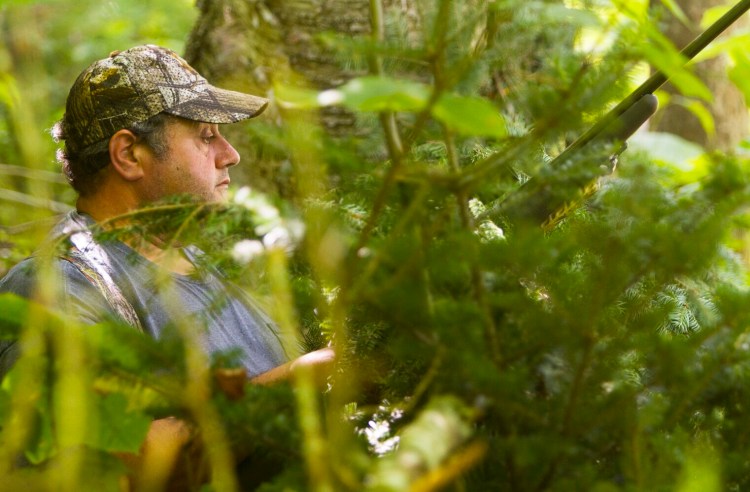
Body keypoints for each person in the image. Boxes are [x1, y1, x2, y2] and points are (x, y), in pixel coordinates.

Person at [0, 44, 333, 486]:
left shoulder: (209, 264)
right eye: (205, 135)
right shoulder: (56, 287)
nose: (230, 154)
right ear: (129, 155)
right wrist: (300, 381)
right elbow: (109, 468)